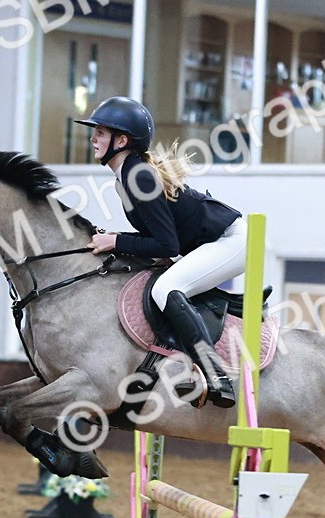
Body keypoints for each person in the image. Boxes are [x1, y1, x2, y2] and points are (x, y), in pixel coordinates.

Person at [75, 96, 245, 409]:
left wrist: (117, 242)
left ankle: (215, 374)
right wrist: (116, 238)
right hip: (212, 240)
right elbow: (158, 238)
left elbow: (168, 246)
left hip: (231, 241)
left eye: (100, 132)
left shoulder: (137, 176)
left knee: (166, 288)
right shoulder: (127, 176)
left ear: (121, 141)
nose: (93, 138)